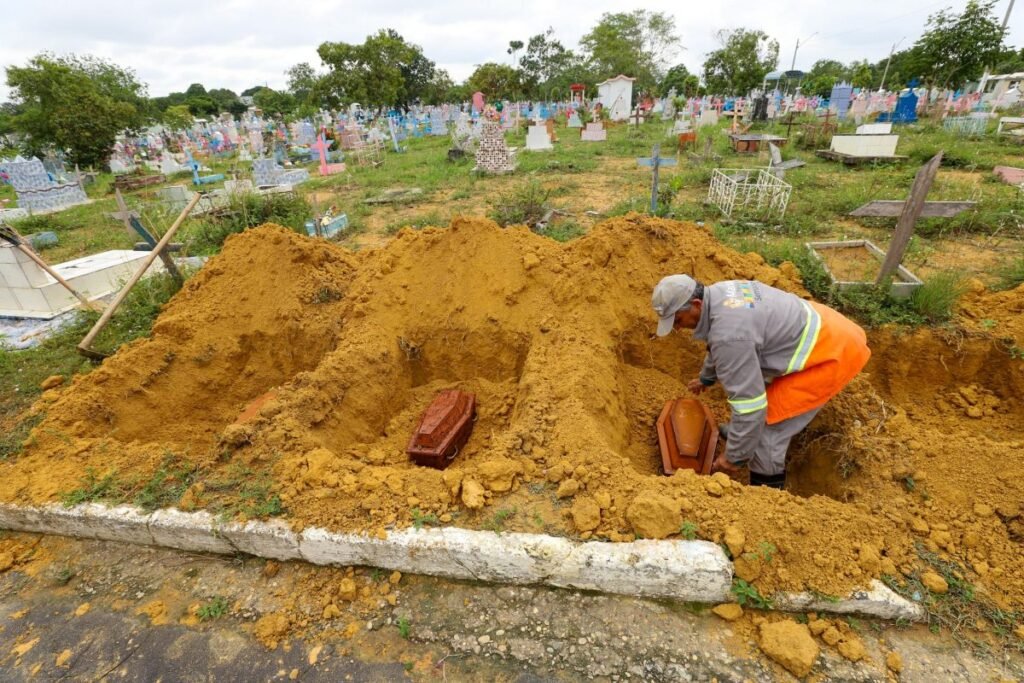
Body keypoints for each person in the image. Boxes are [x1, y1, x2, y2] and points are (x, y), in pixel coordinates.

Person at [652, 275, 870, 489]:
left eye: (678, 320)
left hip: (831, 354)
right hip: (827, 326)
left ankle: (768, 496)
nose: (677, 328)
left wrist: (733, 458)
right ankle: (744, 437)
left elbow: (751, 406)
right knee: (753, 399)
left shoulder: (730, 336)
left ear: (697, 305)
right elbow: (718, 341)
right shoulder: (719, 295)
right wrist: (706, 377)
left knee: (768, 429)